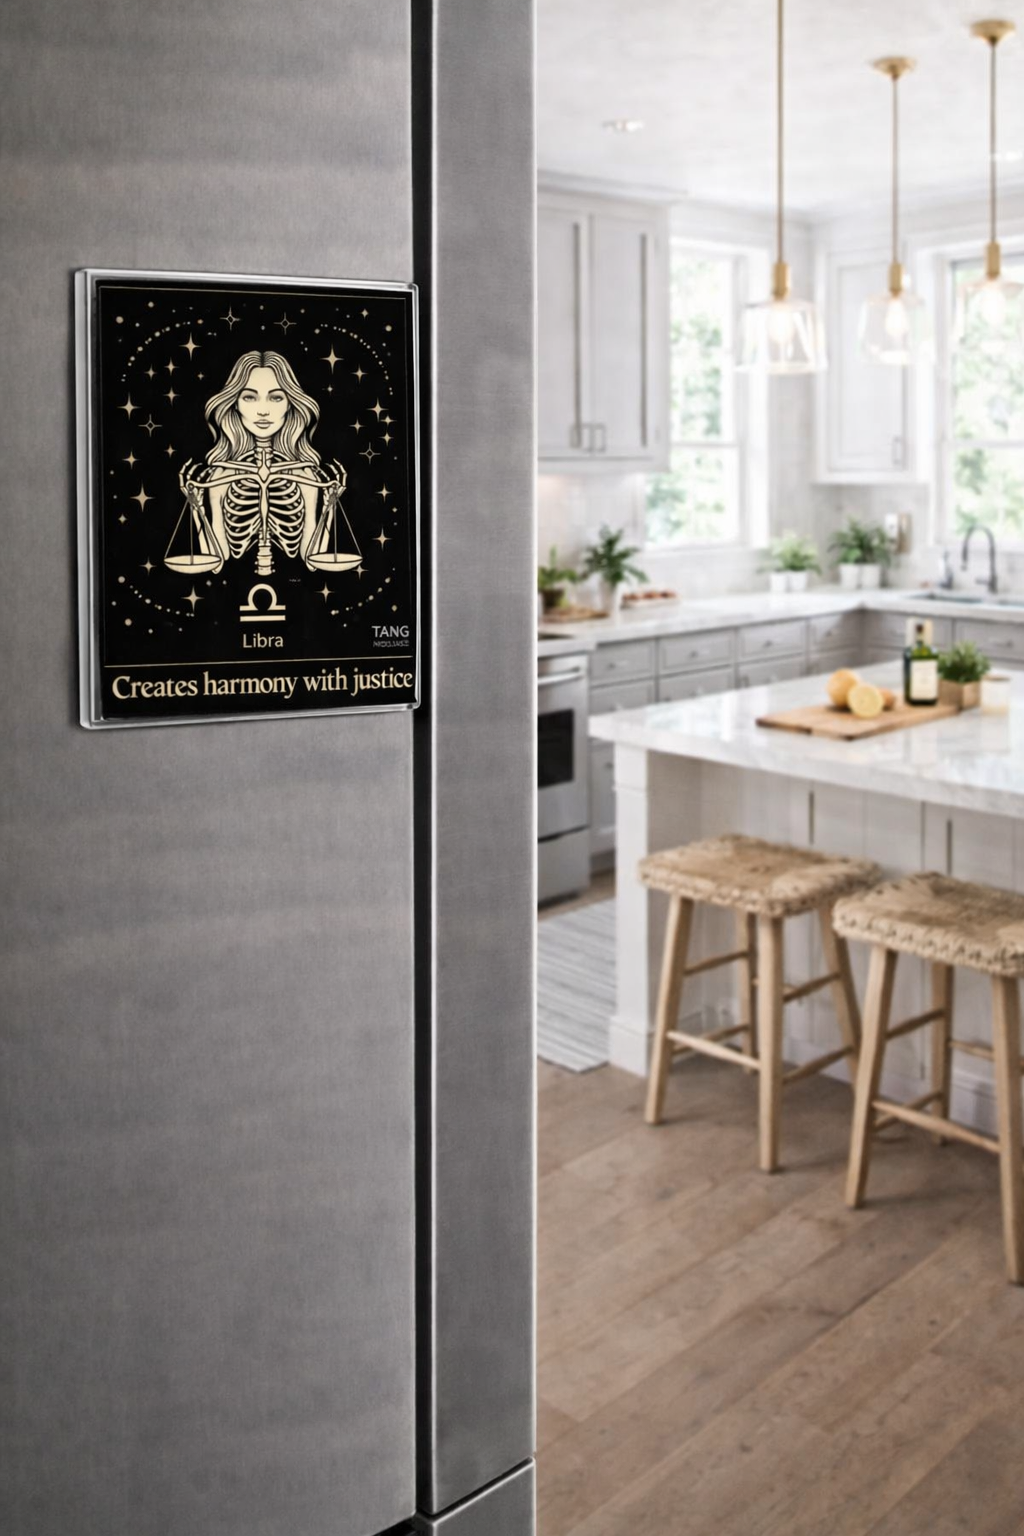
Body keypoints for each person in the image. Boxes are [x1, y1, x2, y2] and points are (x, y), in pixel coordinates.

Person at [169, 350, 354, 577]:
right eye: (249, 397)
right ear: (234, 403)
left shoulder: (304, 473)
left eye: (276, 397)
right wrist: (196, 509)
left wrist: (330, 508)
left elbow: (311, 560)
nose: (263, 410)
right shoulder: (222, 473)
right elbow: (217, 562)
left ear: (290, 404)